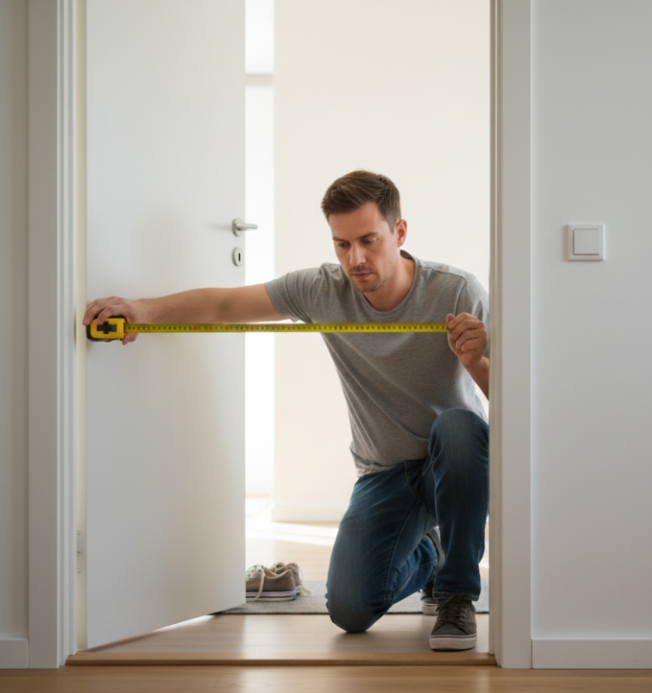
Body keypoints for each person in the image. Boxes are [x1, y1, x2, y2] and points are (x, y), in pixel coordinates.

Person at [83, 170, 490, 651]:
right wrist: (141, 309)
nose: (355, 259)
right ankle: (430, 553)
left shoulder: (458, 292)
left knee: (461, 427)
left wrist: (477, 362)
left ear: (399, 233)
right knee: (349, 610)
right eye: (342, 244)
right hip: (386, 472)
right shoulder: (322, 289)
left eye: (368, 240)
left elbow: (512, 400)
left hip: (457, 463)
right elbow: (224, 306)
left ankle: (456, 593)